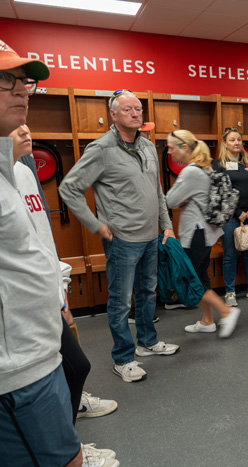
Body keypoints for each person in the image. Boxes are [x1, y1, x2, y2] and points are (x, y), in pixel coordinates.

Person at [0, 38, 96, 467]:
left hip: (39, 345)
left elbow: (32, 248)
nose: (22, 90)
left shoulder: (17, 172)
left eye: (24, 81)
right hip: (16, 368)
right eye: (7, 80)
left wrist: (57, 298)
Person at [12, 124, 119, 463]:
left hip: (45, 296)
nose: (26, 130)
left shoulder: (24, 172)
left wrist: (59, 286)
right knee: (71, 369)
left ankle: (69, 439)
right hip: (18, 311)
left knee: (74, 368)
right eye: (15, 126)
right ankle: (69, 448)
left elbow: (41, 238)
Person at [60, 89, 179, 384]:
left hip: (152, 236)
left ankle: (147, 342)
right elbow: (69, 188)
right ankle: (123, 358)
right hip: (122, 240)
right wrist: (95, 224)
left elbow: (157, 191)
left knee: (148, 293)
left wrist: (166, 224)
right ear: (113, 115)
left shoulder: (149, 147)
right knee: (120, 302)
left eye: (138, 109)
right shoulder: (100, 149)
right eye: (128, 110)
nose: (136, 114)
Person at [165, 129, 241, 337]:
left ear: (185, 147)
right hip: (205, 232)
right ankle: (207, 321)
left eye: (172, 147)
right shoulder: (204, 168)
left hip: (195, 232)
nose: (169, 151)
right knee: (201, 275)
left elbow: (170, 200)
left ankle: (226, 312)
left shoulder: (190, 171)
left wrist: (183, 199)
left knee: (195, 279)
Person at [213, 127, 248, 306]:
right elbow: (221, 192)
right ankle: (230, 292)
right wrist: (238, 213)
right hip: (231, 217)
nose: (236, 143)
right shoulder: (218, 165)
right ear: (224, 143)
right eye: (232, 140)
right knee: (230, 255)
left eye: (239, 139)